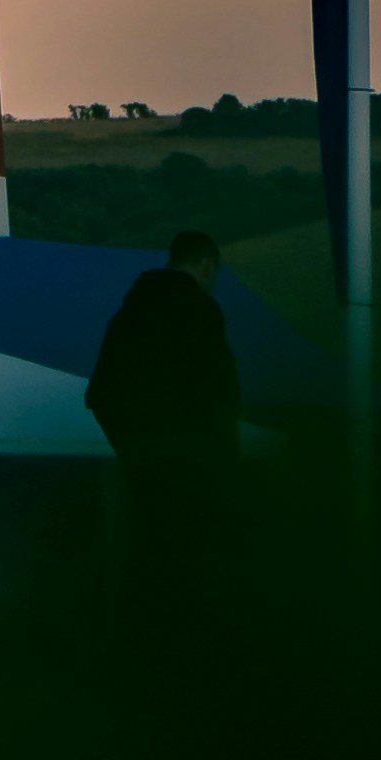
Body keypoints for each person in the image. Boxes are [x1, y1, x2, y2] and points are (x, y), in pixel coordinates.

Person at [85, 232, 242, 596]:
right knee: (196, 568)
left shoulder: (125, 318)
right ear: (206, 264)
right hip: (194, 466)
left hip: (142, 463)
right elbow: (221, 391)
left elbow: (98, 394)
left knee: (152, 564)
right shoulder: (199, 311)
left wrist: (132, 446)